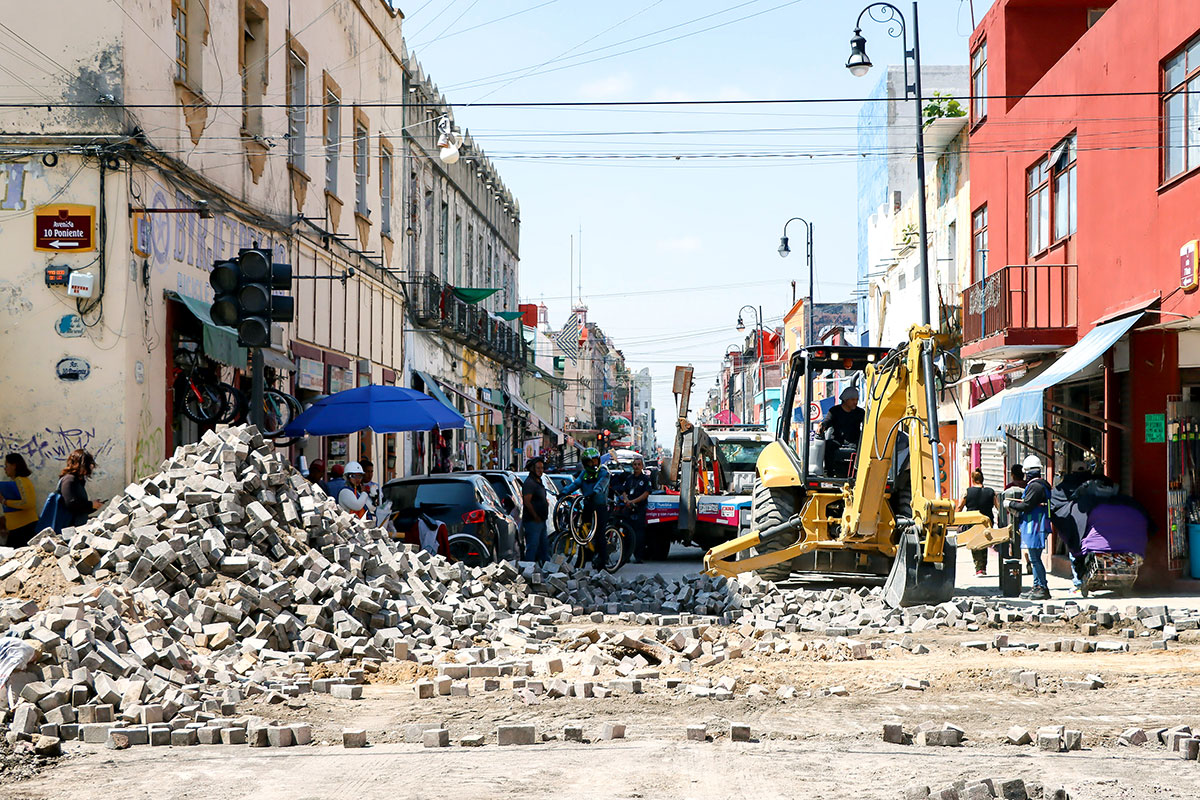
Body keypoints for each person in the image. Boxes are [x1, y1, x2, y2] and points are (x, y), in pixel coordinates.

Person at [1006, 455, 1053, 600]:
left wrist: (1010, 504)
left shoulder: (1035, 486)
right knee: (1034, 558)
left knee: (1035, 558)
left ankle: (1042, 588)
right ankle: (1037, 586)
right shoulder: (1041, 485)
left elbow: (1027, 505)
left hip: (1035, 525)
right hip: (1037, 524)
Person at [561, 447, 611, 570]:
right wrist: (564, 492)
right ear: (585, 463)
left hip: (600, 507)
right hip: (587, 505)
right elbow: (576, 484)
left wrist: (595, 492)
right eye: (590, 461)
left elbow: (601, 485)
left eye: (595, 460)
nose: (593, 463)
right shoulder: (584, 474)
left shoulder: (604, 472)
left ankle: (603, 562)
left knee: (599, 534)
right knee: (582, 529)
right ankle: (587, 555)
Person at [957, 469, 997, 577]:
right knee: (984, 542)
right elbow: (998, 507)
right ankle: (983, 568)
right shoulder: (991, 492)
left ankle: (978, 569)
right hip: (987, 522)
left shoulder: (968, 492)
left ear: (972, 479)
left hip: (972, 522)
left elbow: (959, 507)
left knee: (975, 544)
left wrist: (955, 519)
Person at [819, 386, 865, 476]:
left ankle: (858, 473)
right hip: (837, 441)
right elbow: (827, 421)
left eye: (857, 399)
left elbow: (867, 423)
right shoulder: (834, 411)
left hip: (853, 441)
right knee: (829, 445)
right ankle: (829, 472)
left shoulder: (860, 412)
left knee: (862, 447)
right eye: (852, 400)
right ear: (845, 400)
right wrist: (822, 426)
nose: (855, 402)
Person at [59, 449, 102, 528]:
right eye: (89, 464)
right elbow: (71, 504)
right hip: (69, 528)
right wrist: (91, 505)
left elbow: (80, 507)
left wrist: (94, 506)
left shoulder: (78, 481)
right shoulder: (69, 480)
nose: (91, 467)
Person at [2, 454, 38, 548]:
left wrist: (5, 502)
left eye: (6, 466)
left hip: (23, 528)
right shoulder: (18, 481)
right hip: (17, 528)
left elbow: (27, 503)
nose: (4, 469)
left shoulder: (20, 480)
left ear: (14, 466)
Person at [622, 457, 654, 563]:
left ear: (642, 466)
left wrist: (634, 502)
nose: (636, 466)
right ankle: (626, 556)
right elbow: (624, 491)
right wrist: (627, 501)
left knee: (639, 535)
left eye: (638, 464)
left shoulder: (645, 479)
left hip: (639, 509)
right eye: (635, 464)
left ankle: (638, 557)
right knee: (626, 533)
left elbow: (646, 493)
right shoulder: (629, 478)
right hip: (628, 509)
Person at [521, 457, 551, 562]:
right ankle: (528, 570)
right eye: (538, 468)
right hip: (533, 521)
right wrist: (535, 516)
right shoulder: (529, 483)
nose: (540, 470)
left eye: (542, 468)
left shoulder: (538, 481)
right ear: (532, 469)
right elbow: (527, 502)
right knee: (532, 547)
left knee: (544, 547)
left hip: (541, 520)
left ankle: (546, 570)